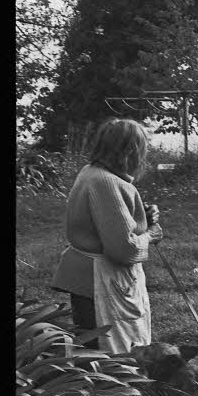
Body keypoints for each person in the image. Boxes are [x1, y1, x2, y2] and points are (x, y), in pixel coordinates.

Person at [51, 118, 163, 353]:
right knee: (107, 352)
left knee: (92, 346)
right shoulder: (106, 183)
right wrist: (150, 236)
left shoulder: (92, 172)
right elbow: (123, 249)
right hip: (98, 280)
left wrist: (140, 214)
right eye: (143, 148)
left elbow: (106, 219)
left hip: (88, 277)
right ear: (131, 150)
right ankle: (111, 389)